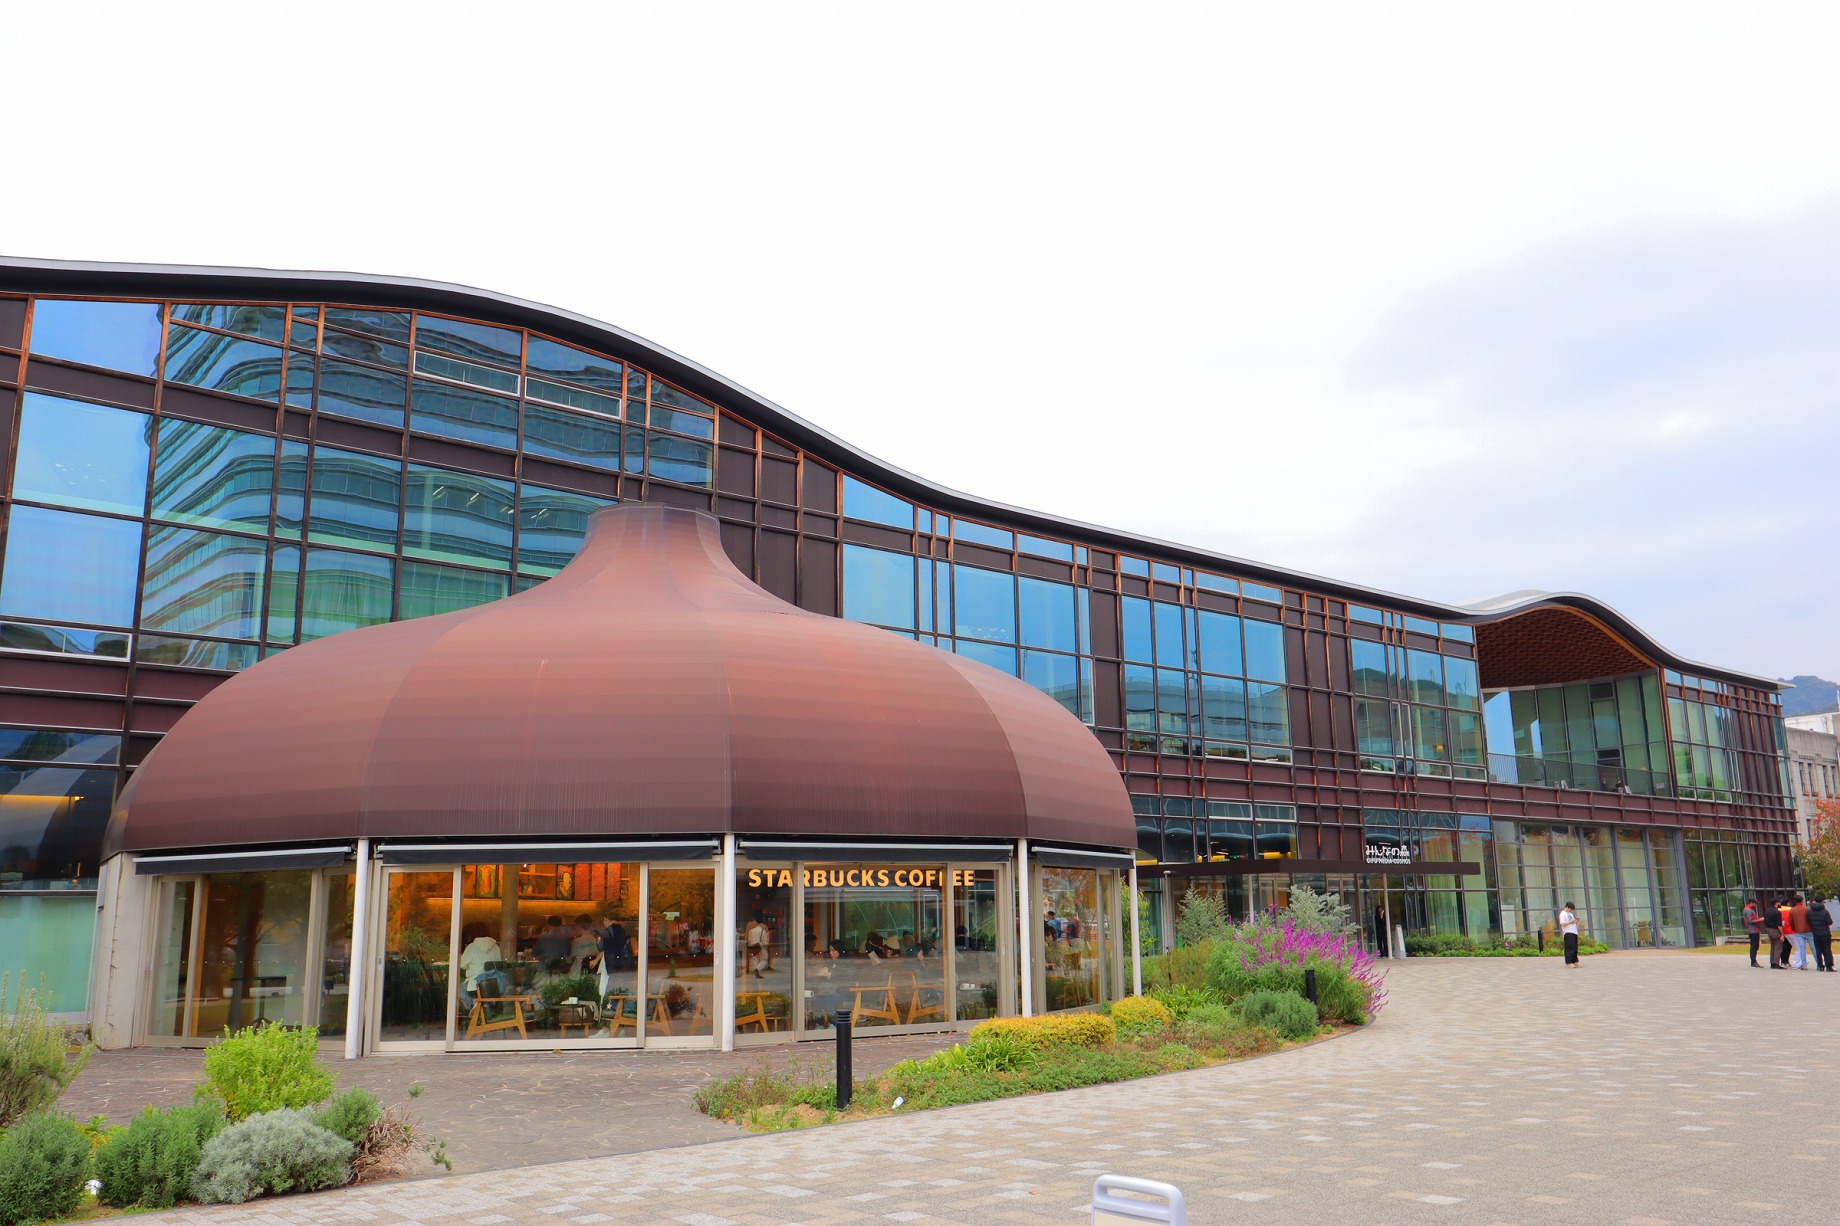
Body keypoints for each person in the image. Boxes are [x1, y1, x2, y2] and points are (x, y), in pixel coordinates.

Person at [457, 925, 504, 993]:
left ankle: (473, 1003)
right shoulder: (496, 947)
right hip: (493, 984)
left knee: (457, 991)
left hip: (475, 984)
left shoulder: (471, 947)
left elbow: (461, 964)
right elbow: (499, 963)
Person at [1809, 894, 1835, 972]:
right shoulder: (1825, 911)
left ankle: (1820, 966)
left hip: (1815, 932)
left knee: (1818, 949)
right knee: (1827, 950)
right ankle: (1829, 966)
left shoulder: (1810, 911)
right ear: (1822, 902)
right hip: (1825, 933)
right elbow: (1829, 922)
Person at [1787, 895, 1813, 970]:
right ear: (1802, 901)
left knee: (1802, 948)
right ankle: (1819, 963)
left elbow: (1790, 921)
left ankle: (1804, 964)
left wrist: (1794, 929)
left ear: (1794, 901)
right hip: (1808, 930)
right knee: (1813, 947)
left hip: (1798, 931)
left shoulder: (1792, 910)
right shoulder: (1807, 909)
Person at [745, 911, 772, 975]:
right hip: (760, 947)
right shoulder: (763, 929)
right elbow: (766, 942)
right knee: (764, 959)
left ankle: (754, 970)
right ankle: (758, 969)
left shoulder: (751, 929)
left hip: (752, 947)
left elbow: (748, 939)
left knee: (754, 959)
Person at [1763, 897, 1785, 969]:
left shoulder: (1767, 910)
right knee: (1778, 947)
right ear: (1776, 903)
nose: (1780, 904)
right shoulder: (1777, 912)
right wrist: (1782, 934)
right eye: (1779, 902)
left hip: (1768, 929)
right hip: (1775, 930)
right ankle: (1776, 963)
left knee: (1772, 946)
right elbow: (1779, 924)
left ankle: (1772, 962)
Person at [1558, 901, 1580, 968]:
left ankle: (1575, 961)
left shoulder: (1570, 914)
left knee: (1575, 948)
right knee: (1569, 948)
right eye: (1570, 909)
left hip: (1574, 931)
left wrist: (1576, 921)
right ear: (1567, 907)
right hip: (1568, 932)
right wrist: (1571, 921)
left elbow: (1572, 923)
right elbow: (1563, 924)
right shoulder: (1563, 914)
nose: (1570, 910)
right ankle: (1569, 962)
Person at [1742, 898, 1763, 968]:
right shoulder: (1748, 910)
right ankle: (1753, 961)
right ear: (1752, 903)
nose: (1756, 905)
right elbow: (1750, 921)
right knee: (1754, 946)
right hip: (1753, 930)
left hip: (1752, 930)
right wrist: (1760, 919)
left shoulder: (1747, 909)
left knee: (1754, 946)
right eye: (1755, 903)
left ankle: (1753, 961)